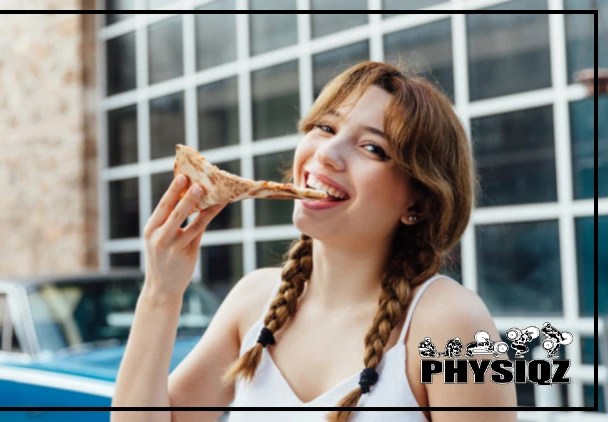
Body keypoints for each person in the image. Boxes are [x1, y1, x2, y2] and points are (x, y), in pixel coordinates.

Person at [110, 61, 517, 422]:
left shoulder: (453, 323)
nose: (327, 153)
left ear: (419, 203)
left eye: (372, 148)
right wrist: (161, 292)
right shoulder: (254, 301)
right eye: (325, 127)